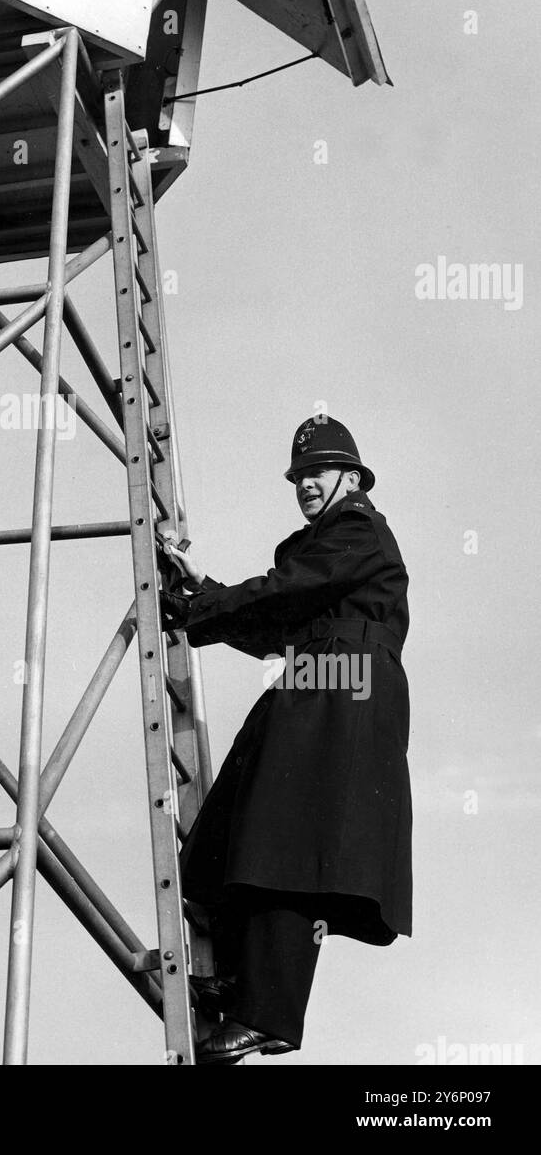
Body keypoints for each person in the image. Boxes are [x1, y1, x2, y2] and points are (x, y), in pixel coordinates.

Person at [159, 416, 411, 1064]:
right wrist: (202, 596)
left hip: (340, 698)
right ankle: (241, 982)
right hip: (311, 689)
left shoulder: (359, 530)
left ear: (351, 480)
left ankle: (267, 1013)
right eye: (300, 477)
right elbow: (276, 621)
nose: (305, 485)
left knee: (288, 848)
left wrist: (202, 608)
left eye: (317, 474)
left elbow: (283, 595)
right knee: (228, 838)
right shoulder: (324, 546)